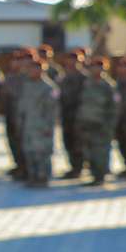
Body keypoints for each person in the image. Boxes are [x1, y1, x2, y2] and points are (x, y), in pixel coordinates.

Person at [16, 53, 60, 187]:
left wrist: (48, 127)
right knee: (29, 152)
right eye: (31, 69)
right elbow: (22, 106)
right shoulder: (26, 85)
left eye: (36, 68)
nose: (33, 71)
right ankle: (33, 176)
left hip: (42, 127)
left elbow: (53, 110)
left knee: (42, 153)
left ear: (43, 70)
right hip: (28, 125)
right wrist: (20, 122)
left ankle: (43, 177)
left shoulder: (49, 88)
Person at [77, 57, 120, 186]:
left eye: (99, 66)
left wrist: (109, 125)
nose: (95, 69)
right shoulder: (86, 84)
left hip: (102, 125)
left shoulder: (109, 86)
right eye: (93, 67)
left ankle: (101, 176)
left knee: (101, 151)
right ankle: (95, 175)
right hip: (87, 123)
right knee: (89, 151)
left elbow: (115, 108)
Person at [57, 49, 88, 178]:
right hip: (66, 115)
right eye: (70, 59)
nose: (72, 63)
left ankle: (80, 167)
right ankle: (74, 166)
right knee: (68, 141)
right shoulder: (63, 78)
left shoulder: (85, 78)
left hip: (80, 115)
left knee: (79, 143)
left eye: (75, 60)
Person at [0, 48, 28, 179]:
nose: (16, 63)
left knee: (24, 143)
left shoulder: (28, 78)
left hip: (24, 117)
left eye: (20, 60)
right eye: (15, 60)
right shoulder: (9, 77)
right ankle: (19, 166)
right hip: (10, 115)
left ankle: (26, 168)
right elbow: (4, 97)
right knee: (13, 142)